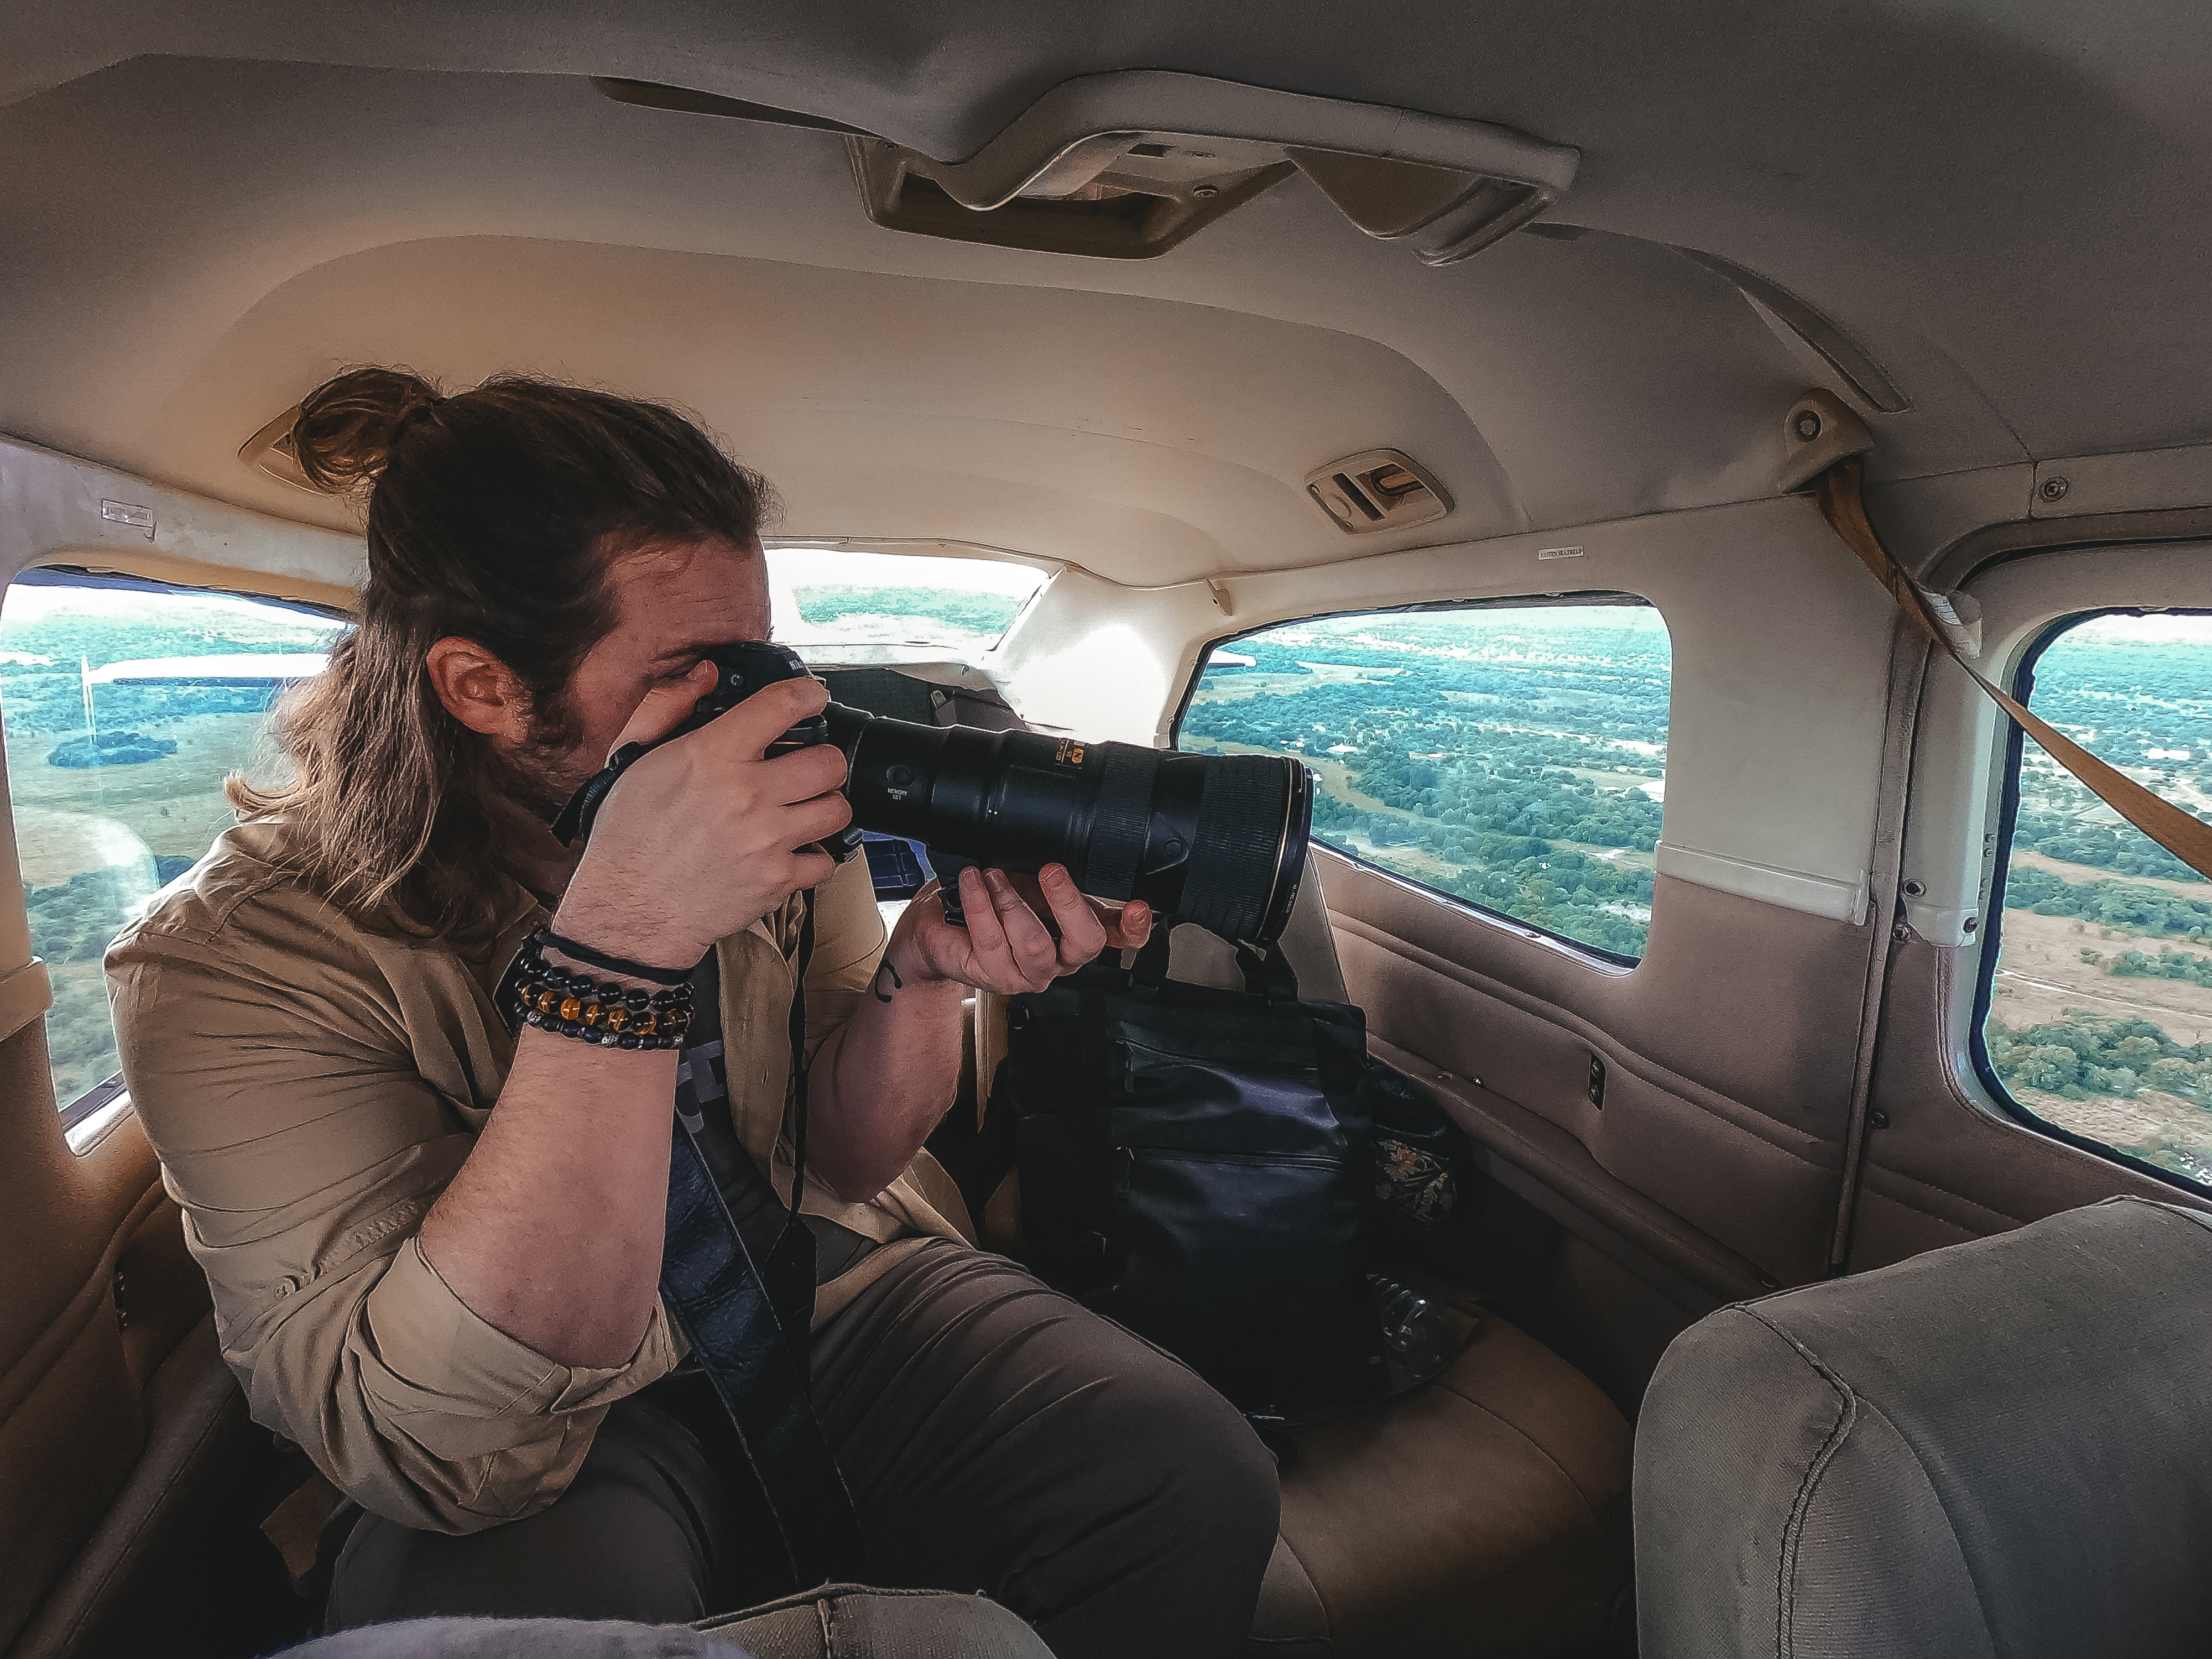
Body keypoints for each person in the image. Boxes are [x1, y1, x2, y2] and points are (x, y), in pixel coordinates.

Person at [108, 370, 1279, 1658]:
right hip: (526, 1419)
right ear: (483, 687)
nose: (752, 711)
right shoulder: (231, 958)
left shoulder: (781, 829)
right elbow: (430, 1442)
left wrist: (922, 974)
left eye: (761, 660)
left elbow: (840, 1160)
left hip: (812, 1284)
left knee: (1182, 1470)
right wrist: (619, 951)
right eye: (694, 673)